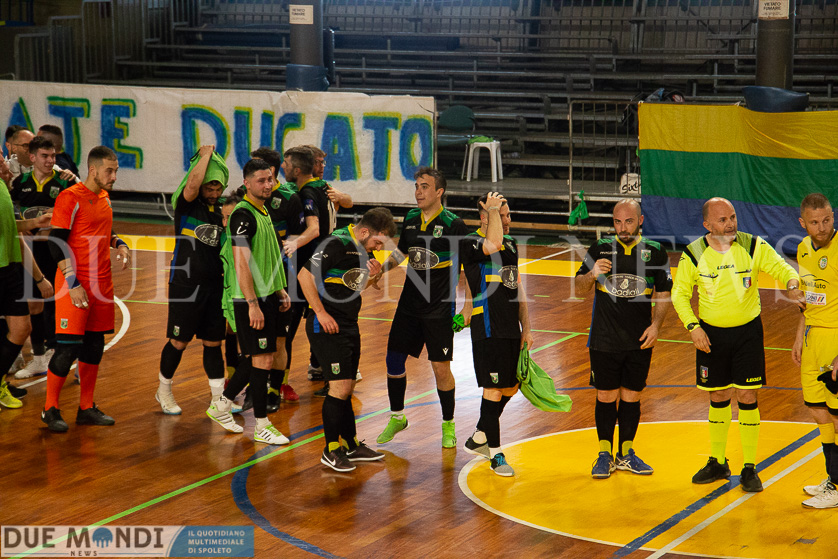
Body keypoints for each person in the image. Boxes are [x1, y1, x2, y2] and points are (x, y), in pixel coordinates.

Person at [672, 197, 803, 492]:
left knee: (746, 395)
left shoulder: (753, 245)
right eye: (722, 220)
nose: (730, 223)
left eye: (732, 217)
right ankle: (718, 462)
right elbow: (679, 294)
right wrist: (693, 327)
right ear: (707, 225)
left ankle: (749, 467)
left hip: (747, 334)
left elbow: (784, 269)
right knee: (718, 395)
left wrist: (792, 285)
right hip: (711, 335)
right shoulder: (694, 253)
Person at [370, 167, 468, 448]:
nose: (418, 192)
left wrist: (467, 307)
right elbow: (402, 252)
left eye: (425, 187)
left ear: (439, 192)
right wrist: (381, 271)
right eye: (416, 186)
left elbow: (469, 268)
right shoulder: (412, 218)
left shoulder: (453, 224)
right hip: (409, 304)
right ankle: (397, 417)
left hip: (439, 308)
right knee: (393, 360)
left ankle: (448, 424)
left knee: (440, 369)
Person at [575, 199, 672, 478]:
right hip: (603, 338)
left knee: (631, 397)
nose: (623, 228)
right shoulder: (600, 248)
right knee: (606, 396)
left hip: (639, 338)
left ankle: (626, 454)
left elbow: (663, 293)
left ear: (640, 220)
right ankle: (604, 454)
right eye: (618, 222)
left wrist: (656, 326)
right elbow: (579, 287)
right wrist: (592, 273)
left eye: (629, 221)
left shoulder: (655, 252)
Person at [298, 207, 397, 472]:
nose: (379, 248)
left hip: (349, 323)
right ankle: (331, 449)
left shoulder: (363, 249)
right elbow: (304, 276)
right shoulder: (336, 243)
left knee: (348, 387)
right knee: (339, 388)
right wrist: (321, 313)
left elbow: (355, 285)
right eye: (378, 242)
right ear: (364, 232)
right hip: (326, 325)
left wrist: (373, 274)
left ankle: (351, 445)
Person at [41, 146, 131, 432]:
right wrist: (72, 283)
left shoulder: (103, 197)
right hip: (74, 285)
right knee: (68, 349)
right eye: (109, 171)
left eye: (116, 171)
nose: (114, 176)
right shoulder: (70, 198)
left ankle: (86, 407)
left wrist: (119, 243)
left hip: (101, 285)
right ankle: (49, 409)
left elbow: (103, 228)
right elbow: (56, 242)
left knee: (93, 346)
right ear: (93, 170)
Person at [207, 159, 291, 444]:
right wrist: (253, 304)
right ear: (247, 183)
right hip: (249, 299)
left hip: (266, 295)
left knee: (260, 356)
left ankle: (221, 405)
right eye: (261, 180)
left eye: (270, 179)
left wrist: (279, 289)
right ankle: (261, 425)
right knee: (261, 358)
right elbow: (242, 264)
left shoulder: (262, 211)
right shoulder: (243, 216)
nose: (267, 185)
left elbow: (268, 256)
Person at [460, 192, 533, 476]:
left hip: (510, 327)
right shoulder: (470, 242)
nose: (508, 220)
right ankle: (495, 454)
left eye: (507, 214)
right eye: (502, 216)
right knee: (492, 389)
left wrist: (527, 327)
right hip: (487, 326)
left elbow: (517, 286)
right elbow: (492, 244)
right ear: (485, 217)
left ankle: (480, 434)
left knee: (511, 386)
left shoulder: (511, 244)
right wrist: (492, 211)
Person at [155, 145, 228, 415]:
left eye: (218, 187)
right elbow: (193, 184)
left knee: (213, 344)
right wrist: (206, 155)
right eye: (210, 186)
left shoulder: (222, 211)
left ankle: (218, 399)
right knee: (179, 342)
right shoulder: (187, 205)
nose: (213, 192)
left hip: (215, 286)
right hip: (185, 284)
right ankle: (163, 391)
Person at [11, 135, 71, 379]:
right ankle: (37, 357)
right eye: (45, 156)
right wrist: (23, 224)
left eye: (53, 156)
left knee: (57, 301)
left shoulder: (65, 181)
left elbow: (72, 213)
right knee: (34, 303)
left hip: (56, 250)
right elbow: (12, 211)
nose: (50, 160)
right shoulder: (20, 183)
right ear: (32, 157)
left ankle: (56, 350)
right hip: (30, 251)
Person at [792, 193, 838, 508]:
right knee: (818, 411)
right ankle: (832, 476)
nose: (822, 228)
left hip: (835, 341)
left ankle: (837, 485)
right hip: (811, 339)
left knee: (837, 415)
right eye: (815, 222)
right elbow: (807, 300)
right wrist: (799, 336)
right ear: (802, 223)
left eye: (827, 220)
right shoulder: (803, 249)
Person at [252, 146, 306, 407]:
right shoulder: (246, 199)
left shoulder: (289, 199)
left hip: (284, 278)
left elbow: (298, 239)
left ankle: (276, 388)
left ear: (271, 171)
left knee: (283, 338)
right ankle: (250, 384)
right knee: (253, 335)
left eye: (257, 167)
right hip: (253, 277)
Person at [0, 175, 53, 408]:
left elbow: (11, 229)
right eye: (1, 160)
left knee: (22, 328)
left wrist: (33, 223)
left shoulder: (3, 187)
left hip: (9, 268)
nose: (5, 164)